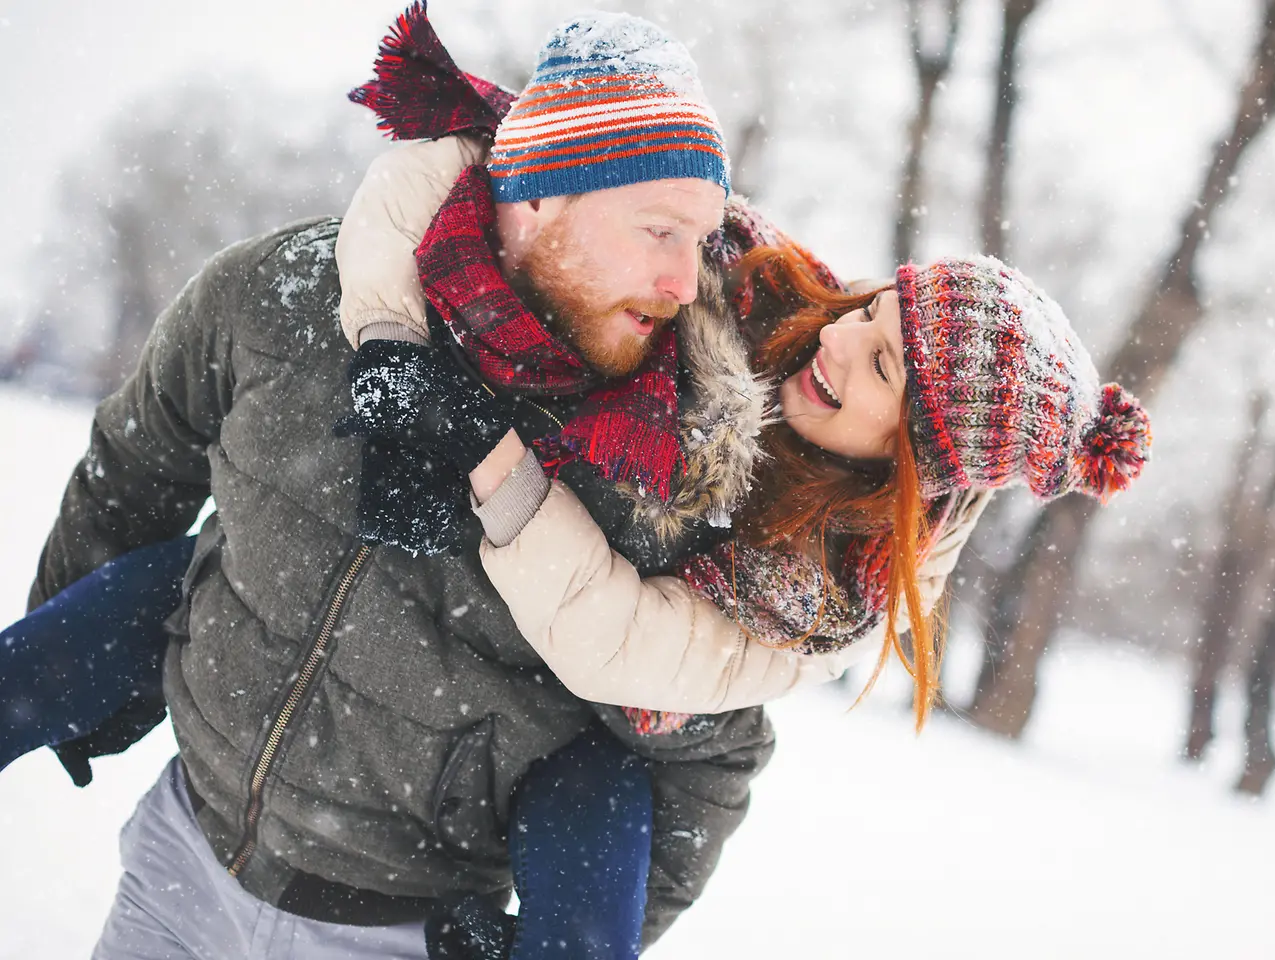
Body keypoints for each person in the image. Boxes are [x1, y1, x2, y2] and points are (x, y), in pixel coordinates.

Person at [19, 11, 781, 960]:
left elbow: (710, 755)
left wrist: (558, 941)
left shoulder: (660, 469)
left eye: (700, 240)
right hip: (183, 861)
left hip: (400, 932)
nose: (682, 281)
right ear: (538, 198)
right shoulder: (285, 297)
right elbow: (137, 458)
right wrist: (77, 650)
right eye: (659, 231)